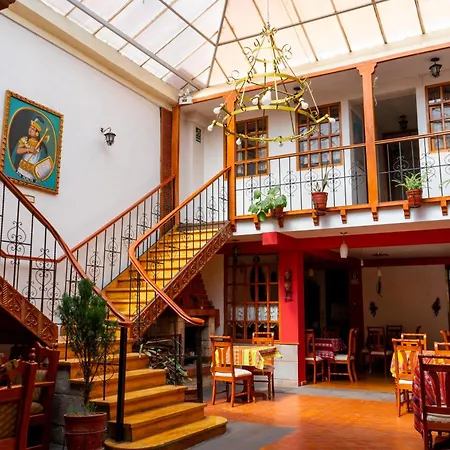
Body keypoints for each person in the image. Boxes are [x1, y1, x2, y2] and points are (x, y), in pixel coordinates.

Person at [12, 116, 49, 182]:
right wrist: (28, 150)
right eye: (30, 127)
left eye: (33, 129)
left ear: (37, 133)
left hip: (31, 175)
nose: (30, 130)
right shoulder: (25, 139)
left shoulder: (41, 147)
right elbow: (18, 151)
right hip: (20, 170)